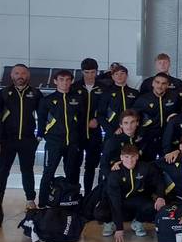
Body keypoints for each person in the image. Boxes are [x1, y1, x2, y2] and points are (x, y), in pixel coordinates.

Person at [0, 64, 43, 208]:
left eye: (23, 73)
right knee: (3, 170)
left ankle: (30, 199)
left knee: (27, 170)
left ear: (27, 75)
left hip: (28, 140)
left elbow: (42, 116)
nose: (20, 76)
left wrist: (39, 135)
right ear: (11, 75)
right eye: (16, 73)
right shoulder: (3, 93)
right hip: (7, 139)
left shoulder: (35, 93)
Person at [37, 70, 84, 208]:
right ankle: (43, 204)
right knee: (48, 172)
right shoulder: (47, 100)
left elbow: (81, 120)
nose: (65, 82)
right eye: (62, 79)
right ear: (55, 81)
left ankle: (71, 201)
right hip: (54, 143)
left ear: (71, 81)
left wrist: (78, 139)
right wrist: (43, 135)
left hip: (73, 143)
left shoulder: (77, 99)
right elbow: (41, 121)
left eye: (68, 80)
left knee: (72, 173)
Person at [104, 145, 159, 242]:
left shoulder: (145, 167)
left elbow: (159, 181)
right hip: (117, 200)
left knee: (152, 206)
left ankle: (137, 222)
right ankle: (111, 223)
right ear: (121, 157)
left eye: (133, 156)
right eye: (126, 157)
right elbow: (115, 202)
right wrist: (119, 228)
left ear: (137, 156)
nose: (130, 160)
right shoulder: (114, 173)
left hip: (134, 199)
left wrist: (160, 196)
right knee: (100, 212)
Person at [72, 58, 105, 194]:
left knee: (91, 166)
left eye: (93, 72)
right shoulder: (75, 87)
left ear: (97, 72)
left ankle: (88, 195)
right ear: (82, 72)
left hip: (95, 133)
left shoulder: (103, 88)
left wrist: (98, 120)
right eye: (87, 72)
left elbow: (107, 109)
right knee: (74, 165)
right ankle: (73, 194)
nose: (90, 75)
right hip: (77, 133)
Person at [133, 72, 180, 161]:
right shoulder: (143, 99)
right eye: (157, 82)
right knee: (148, 164)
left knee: (167, 164)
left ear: (168, 85)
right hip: (148, 138)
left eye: (163, 83)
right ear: (153, 83)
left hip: (168, 137)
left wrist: (176, 115)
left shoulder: (174, 97)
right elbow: (133, 115)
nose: (160, 86)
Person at [99, 110, 146, 183]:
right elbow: (103, 165)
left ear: (137, 123)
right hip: (118, 179)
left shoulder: (143, 139)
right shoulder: (113, 141)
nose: (129, 126)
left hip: (138, 179)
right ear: (121, 125)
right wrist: (112, 179)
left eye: (132, 122)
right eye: (126, 123)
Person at [97, 65, 139, 133]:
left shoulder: (135, 93)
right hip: (113, 132)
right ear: (112, 77)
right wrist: (112, 130)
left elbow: (139, 113)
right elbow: (100, 115)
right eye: (116, 74)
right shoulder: (107, 93)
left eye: (122, 73)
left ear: (127, 75)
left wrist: (137, 130)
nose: (119, 76)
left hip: (132, 131)